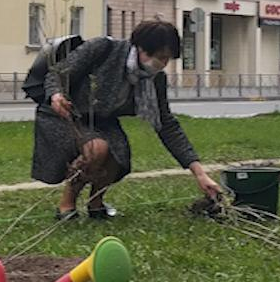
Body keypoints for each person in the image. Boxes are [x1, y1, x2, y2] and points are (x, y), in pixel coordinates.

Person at [32, 19, 221, 219]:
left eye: (168, 59)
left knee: (117, 155)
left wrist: (199, 173)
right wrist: (56, 95)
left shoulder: (155, 79)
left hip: (102, 121)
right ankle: (66, 206)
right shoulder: (103, 49)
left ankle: (96, 204)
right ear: (141, 49)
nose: (163, 64)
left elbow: (166, 124)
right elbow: (57, 75)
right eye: (160, 57)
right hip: (64, 114)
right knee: (97, 149)